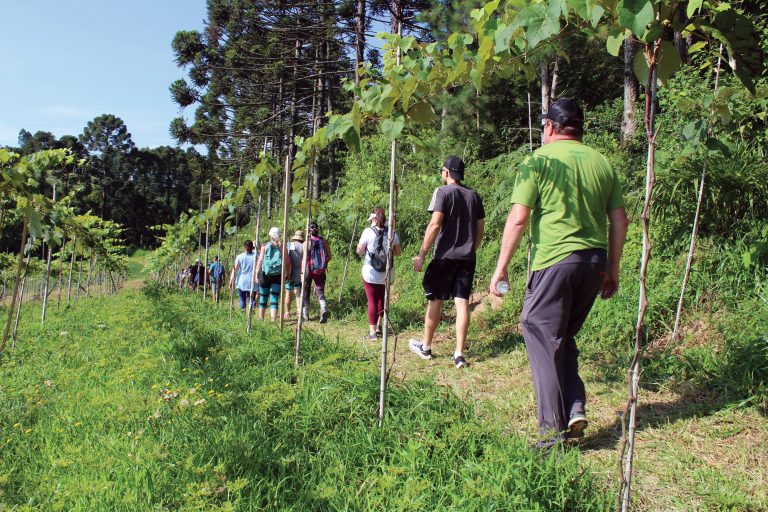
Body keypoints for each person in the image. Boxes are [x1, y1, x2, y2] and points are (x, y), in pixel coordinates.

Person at [489, 98, 629, 447]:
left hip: (554, 261)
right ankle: (574, 406)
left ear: (550, 127)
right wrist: (612, 268)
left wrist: (501, 268)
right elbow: (619, 221)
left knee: (538, 332)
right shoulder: (602, 163)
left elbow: (519, 218)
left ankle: (551, 435)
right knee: (562, 337)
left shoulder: (537, 161)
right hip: (593, 264)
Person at [409, 156, 485, 369]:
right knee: (462, 303)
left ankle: (426, 347)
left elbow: (435, 224)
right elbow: (480, 230)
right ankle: (459, 354)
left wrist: (422, 253)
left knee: (436, 301)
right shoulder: (474, 196)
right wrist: (471, 249)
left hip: (444, 257)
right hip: (467, 258)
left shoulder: (442, 193)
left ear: (446, 172)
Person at [356, 207, 401, 339]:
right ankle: (379, 326)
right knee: (382, 298)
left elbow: (359, 251)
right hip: (387, 272)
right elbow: (398, 253)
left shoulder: (367, 232)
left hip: (370, 272)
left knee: (372, 301)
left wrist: (364, 250)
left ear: (374, 219)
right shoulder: (391, 232)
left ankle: (372, 332)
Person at [256, 227, 290, 321]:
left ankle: (260, 318)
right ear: (279, 235)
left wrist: (256, 274)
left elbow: (260, 261)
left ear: (270, 235)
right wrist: (287, 273)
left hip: (264, 274)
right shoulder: (283, 247)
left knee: (263, 296)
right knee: (274, 296)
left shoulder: (264, 246)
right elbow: (287, 262)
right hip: (277, 275)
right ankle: (273, 319)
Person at [303, 221, 331, 323]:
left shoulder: (306, 243)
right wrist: (322, 264)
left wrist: (302, 272)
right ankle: (323, 307)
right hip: (320, 270)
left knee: (306, 291)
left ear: (308, 231)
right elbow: (329, 256)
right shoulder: (324, 241)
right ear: (318, 229)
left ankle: (305, 315)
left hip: (308, 269)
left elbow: (304, 259)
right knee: (320, 291)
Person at [229, 240, 257, 311]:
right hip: (253, 281)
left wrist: (231, 280)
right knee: (252, 299)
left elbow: (235, 269)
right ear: (252, 247)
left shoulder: (240, 257)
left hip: (241, 282)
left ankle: (242, 313)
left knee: (242, 299)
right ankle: (251, 313)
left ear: (244, 247)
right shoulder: (256, 256)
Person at [284, 230, 305, 319]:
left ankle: (287, 312)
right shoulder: (304, 246)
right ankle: (299, 311)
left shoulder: (289, 245)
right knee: (298, 293)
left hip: (289, 272)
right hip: (299, 273)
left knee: (288, 293)